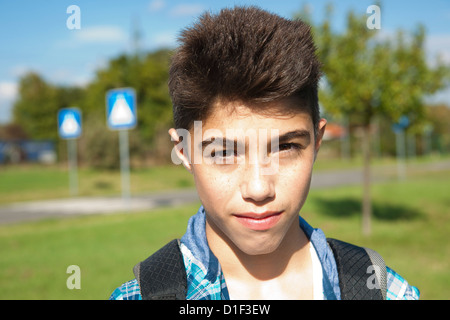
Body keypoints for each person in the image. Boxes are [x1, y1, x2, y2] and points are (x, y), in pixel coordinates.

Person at [109, 6, 419, 300]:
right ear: (184, 151)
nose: (259, 189)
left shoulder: (381, 290)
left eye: (286, 147)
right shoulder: (140, 295)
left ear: (318, 141)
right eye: (222, 153)